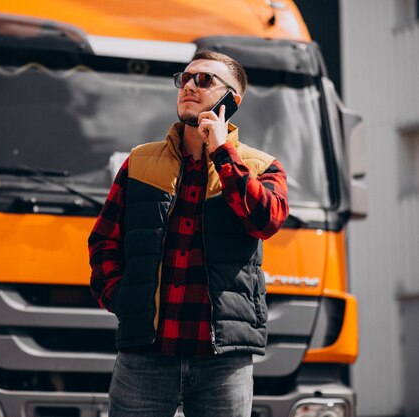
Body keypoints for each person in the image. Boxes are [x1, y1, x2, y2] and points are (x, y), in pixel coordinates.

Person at [88, 50, 289, 417]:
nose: (189, 86)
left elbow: (266, 221)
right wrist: (125, 302)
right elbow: (103, 242)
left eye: (205, 80)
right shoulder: (139, 162)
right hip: (145, 357)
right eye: (186, 78)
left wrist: (223, 154)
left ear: (233, 100)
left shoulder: (261, 167)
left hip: (223, 361)